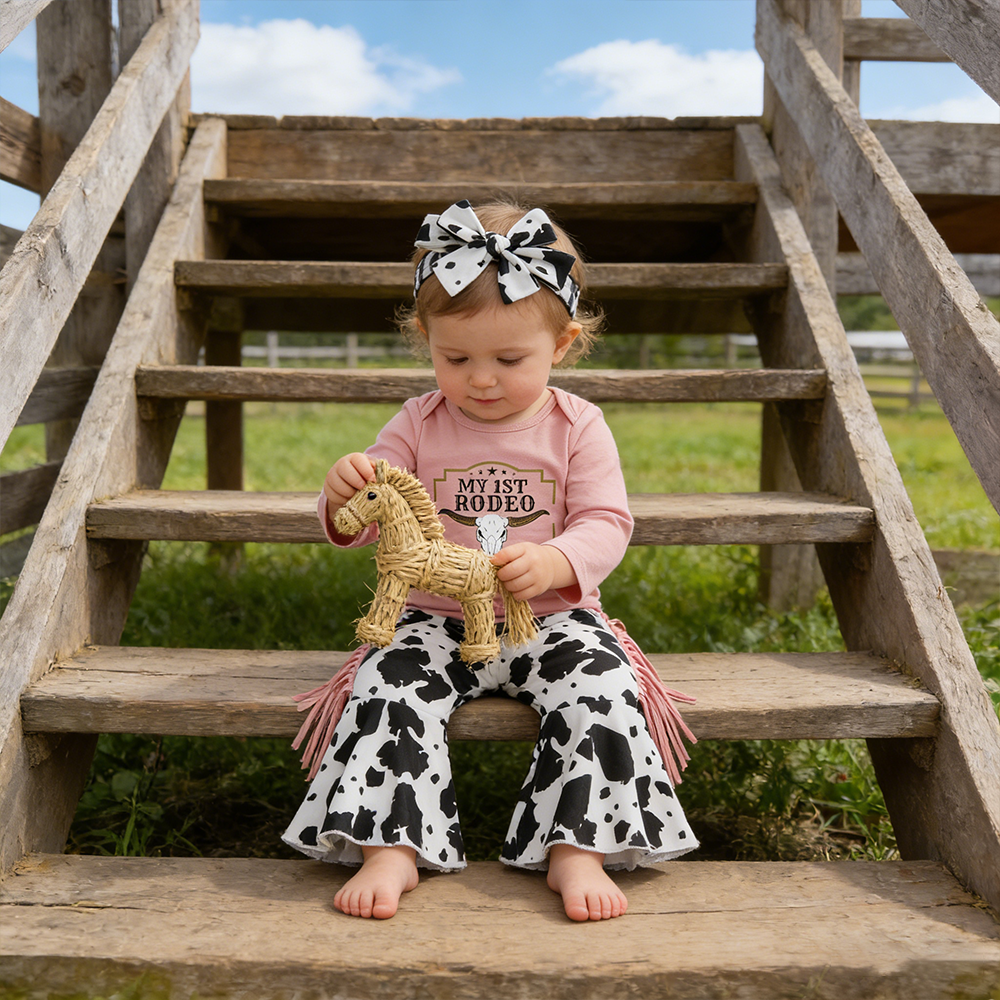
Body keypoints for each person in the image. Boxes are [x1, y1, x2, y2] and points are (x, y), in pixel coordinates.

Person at [282, 199, 698, 922]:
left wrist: (558, 561)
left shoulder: (578, 426)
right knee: (386, 686)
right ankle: (390, 844)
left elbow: (607, 522)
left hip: (552, 619)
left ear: (562, 344)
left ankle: (579, 846)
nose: (481, 379)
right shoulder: (417, 422)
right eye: (456, 359)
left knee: (603, 688)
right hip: (433, 619)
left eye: (509, 360)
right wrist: (341, 490)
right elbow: (372, 509)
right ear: (425, 339)